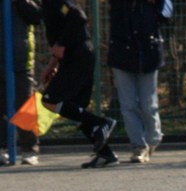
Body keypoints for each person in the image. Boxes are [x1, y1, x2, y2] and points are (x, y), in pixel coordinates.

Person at [40, 0, 118, 168]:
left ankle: (102, 123)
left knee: (49, 99)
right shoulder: (46, 4)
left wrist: (61, 44)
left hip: (79, 55)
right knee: (76, 109)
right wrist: (52, 65)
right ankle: (106, 155)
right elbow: (60, 35)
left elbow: (79, 16)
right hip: (77, 55)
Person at [107, 0, 172, 164]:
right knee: (128, 104)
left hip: (148, 51)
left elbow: (167, 13)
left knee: (148, 104)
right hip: (121, 50)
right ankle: (138, 146)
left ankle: (153, 140)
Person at [0, 0, 42, 167]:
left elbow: (37, 16)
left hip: (20, 59)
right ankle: (1, 148)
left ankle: (29, 149)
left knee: (24, 104)